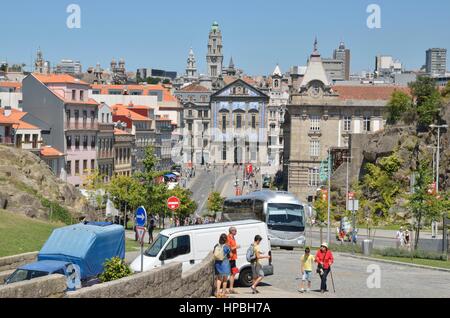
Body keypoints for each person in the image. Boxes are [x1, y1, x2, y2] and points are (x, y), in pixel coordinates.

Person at [214, 233, 231, 298]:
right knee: (225, 279)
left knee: (219, 279)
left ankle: (218, 293)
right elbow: (229, 256)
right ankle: (223, 293)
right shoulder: (226, 247)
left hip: (218, 263)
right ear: (226, 239)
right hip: (225, 263)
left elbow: (214, 253)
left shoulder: (216, 245)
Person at [227, 227, 240, 294]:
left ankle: (231, 288)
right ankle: (226, 289)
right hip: (229, 259)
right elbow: (228, 248)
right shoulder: (228, 237)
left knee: (233, 273)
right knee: (227, 274)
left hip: (233, 258)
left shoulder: (233, 237)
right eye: (235, 230)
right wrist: (236, 247)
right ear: (231, 231)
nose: (236, 231)